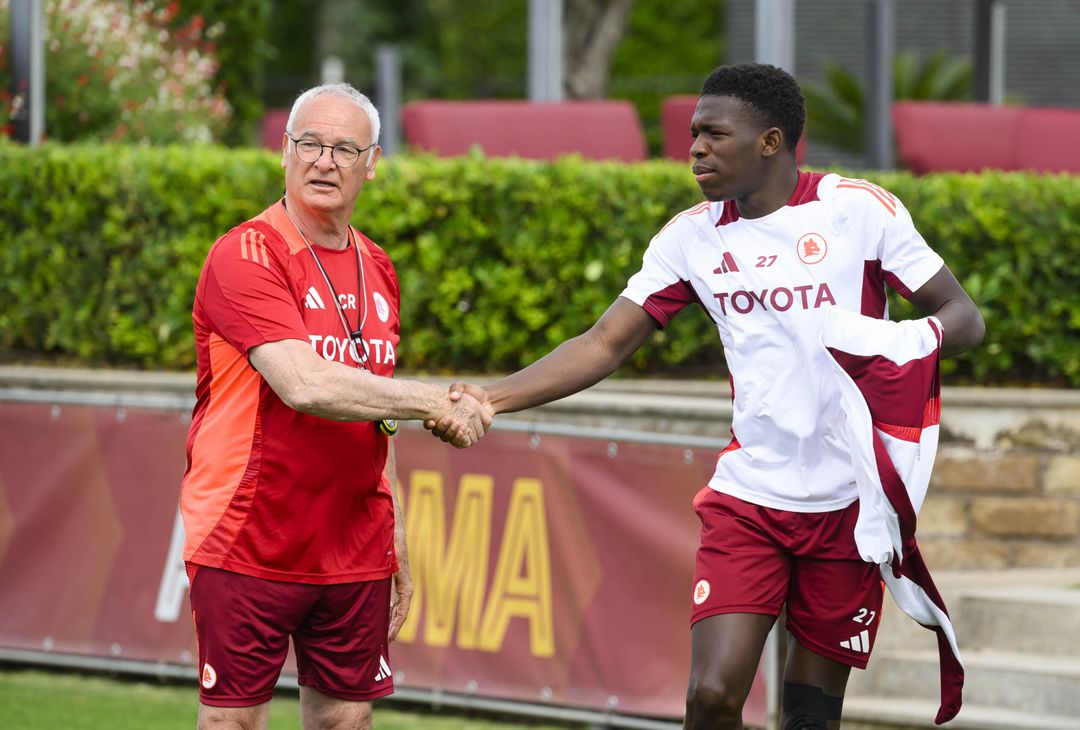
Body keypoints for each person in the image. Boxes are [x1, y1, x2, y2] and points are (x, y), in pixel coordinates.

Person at [428, 64, 984, 730]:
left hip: (850, 502)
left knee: (810, 717)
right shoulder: (691, 237)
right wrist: (492, 398)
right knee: (713, 695)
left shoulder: (858, 211)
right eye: (693, 134)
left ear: (770, 141)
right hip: (751, 498)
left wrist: (896, 342)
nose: (695, 149)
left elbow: (962, 316)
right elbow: (604, 343)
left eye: (714, 134)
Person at [180, 82, 490, 730]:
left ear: (372, 162)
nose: (324, 161)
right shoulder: (246, 253)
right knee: (232, 723)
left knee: (345, 721)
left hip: (354, 541)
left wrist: (396, 535)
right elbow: (307, 384)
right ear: (285, 152)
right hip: (248, 535)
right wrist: (437, 400)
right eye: (310, 144)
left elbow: (375, 410)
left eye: (344, 148)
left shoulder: (378, 266)